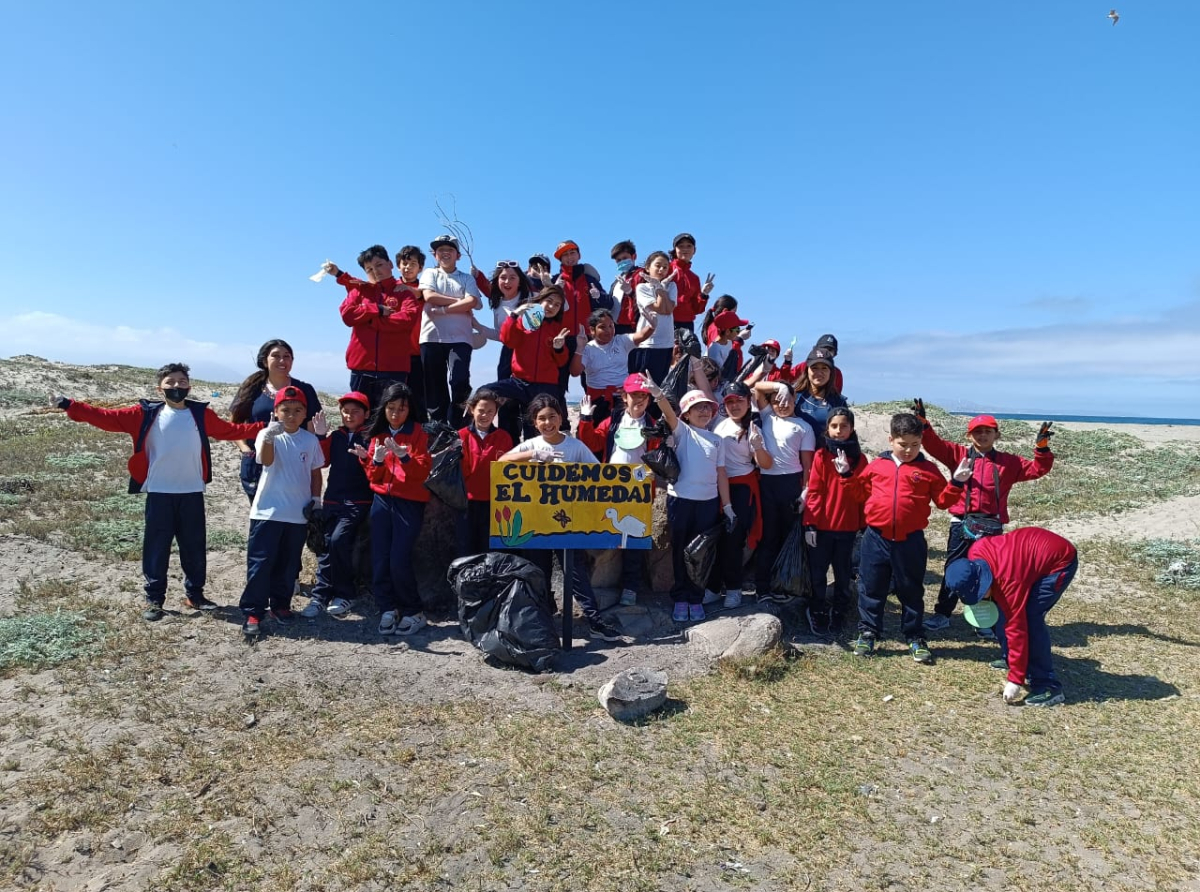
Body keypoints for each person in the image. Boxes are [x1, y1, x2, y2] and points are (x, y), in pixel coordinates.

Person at [53, 363, 262, 621]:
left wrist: (263, 427)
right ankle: (154, 600)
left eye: (181, 382)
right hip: (160, 493)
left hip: (192, 492)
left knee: (194, 547)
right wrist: (70, 405)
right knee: (156, 548)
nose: (176, 386)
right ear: (159, 388)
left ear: (189, 386)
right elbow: (105, 417)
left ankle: (195, 595)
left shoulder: (200, 414)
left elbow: (229, 431)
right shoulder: (145, 414)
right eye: (170, 382)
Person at [915, 404, 1056, 633]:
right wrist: (924, 424)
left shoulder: (1009, 462)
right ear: (969, 435)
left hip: (992, 525)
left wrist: (1041, 448)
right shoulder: (957, 455)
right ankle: (942, 613)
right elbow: (934, 445)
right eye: (977, 431)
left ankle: (983, 619)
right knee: (954, 569)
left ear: (996, 435)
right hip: (961, 522)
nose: (982, 435)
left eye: (988, 431)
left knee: (988, 572)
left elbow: (1038, 469)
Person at [843, 413, 970, 663]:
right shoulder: (877, 466)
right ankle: (868, 632)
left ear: (921, 441)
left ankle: (914, 635)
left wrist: (956, 482)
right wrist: (846, 476)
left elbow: (943, 501)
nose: (909, 450)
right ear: (891, 440)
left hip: (910, 540)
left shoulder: (928, 469)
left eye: (915, 444)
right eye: (903, 444)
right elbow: (859, 494)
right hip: (875, 538)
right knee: (871, 586)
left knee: (911, 589)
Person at [499, 394, 624, 642]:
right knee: (538, 571)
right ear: (534, 422)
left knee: (575, 571)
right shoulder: (531, 445)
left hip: (568, 523)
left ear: (561, 417)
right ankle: (543, 621)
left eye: (552, 417)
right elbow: (502, 461)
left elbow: (597, 475)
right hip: (536, 521)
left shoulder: (574, 446)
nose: (548, 423)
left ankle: (594, 620)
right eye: (542, 418)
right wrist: (533, 456)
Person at [943, 527, 1078, 706]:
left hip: (1059, 561)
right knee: (1001, 610)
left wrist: (1015, 680)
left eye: (980, 593)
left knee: (1030, 619)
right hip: (1031, 552)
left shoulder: (1009, 582)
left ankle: (1047, 685)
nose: (982, 597)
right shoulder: (975, 553)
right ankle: (1011, 658)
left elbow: (1017, 627)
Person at [239, 385, 326, 637]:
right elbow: (265, 461)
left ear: (305, 414)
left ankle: (280, 605)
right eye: (285, 410)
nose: (291, 415)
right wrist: (268, 437)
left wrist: (316, 500)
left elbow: (315, 472)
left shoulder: (309, 440)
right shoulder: (268, 433)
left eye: (297, 410)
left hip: (297, 514)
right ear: (276, 411)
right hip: (267, 512)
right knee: (261, 563)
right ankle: (253, 611)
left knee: (289, 564)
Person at [643, 378, 732, 622]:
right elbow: (669, 415)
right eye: (698, 408)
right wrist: (658, 394)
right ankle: (680, 598)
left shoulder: (717, 440)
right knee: (680, 550)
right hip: (680, 501)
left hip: (708, 503)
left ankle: (696, 597)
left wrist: (727, 506)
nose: (704, 411)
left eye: (707, 407)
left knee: (700, 553)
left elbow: (721, 474)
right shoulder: (683, 432)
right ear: (687, 414)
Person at [349, 382, 432, 636]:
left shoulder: (419, 432)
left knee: (399, 558)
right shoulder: (378, 434)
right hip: (382, 501)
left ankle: (413, 611)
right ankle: (387, 607)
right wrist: (371, 460)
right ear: (383, 408)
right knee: (380, 557)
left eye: (402, 408)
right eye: (391, 407)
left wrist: (404, 456)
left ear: (410, 410)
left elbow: (421, 472)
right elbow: (374, 477)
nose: (396, 413)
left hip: (409, 502)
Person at [576, 374, 660, 605]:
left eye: (643, 395)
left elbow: (657, 457)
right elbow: (591, 442)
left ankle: (630, 587)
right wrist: (585, 419)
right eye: (634, 395)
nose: (639, 399)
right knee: (603, 533)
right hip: (609, 489)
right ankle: (594, 585)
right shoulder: (613, 421)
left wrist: (650, 473)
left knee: (633, 539)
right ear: (624, 397)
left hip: (638, 491)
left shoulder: (652, 425)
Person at [323, 245, 422, 411]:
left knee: (390, 418)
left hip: (394, 368)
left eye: (379, 265)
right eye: (369, 268)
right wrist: (377, 309)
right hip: (361, 368)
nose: (375, 271)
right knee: (360, 416)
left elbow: (407, 319)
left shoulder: (404, 292)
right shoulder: (360, 290)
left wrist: (370, 322)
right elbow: (347, 315)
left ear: (390, 264)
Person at [302, 391, 373, 619]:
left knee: (337, 539)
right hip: (332, 499)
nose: (349, 416)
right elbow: (322, 461)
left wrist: (367, 458)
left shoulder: (372, 437)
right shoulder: (338, 436)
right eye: (345, 411)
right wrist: (321, 437)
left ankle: (345, 594)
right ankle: (320, 596)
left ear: (366, 414)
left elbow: (376, 468)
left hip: (357, 501)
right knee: (325, 545)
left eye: (355, 412)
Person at [230, 339, 321, 502]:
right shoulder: (251, 388)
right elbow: (234, 424)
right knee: (261, 514)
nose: (282, 361)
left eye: (287, 356)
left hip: (294, 461)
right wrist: (245, 449)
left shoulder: (304, 390)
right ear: (265, 360)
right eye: (276, 356)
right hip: (257, 461)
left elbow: (311, 427)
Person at [803, 407, 867, 635]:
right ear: (827, 429)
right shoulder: (821, 456)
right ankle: (817, 608)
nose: (839, 431)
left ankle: (839, 609)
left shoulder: (860, 458)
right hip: (822, 528)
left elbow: (863, 495)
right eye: (834, 426)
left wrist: (847, 474)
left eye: (844, 426)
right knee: (818, 573)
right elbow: (815, 492)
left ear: (852, 429)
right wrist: (810, 524)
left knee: (842, 573)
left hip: (847, 528)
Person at [751, 380, 816, 603]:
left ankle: (786, 583)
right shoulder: (767, 416)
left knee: (789, 536)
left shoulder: (804, 426)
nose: (782, 404)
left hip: (791, 484)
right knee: (768, 536)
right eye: (778, 400)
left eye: (787, 400)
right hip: (767, 482)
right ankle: (763, 588)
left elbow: (808, 464)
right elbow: (758, 388)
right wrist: (780, 387)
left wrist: (805, 493)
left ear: (795, 400)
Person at [709, 382, 772, 609]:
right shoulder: (718, 424)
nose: (735, 405)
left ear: (748, 402)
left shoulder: (755, 428)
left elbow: (765, 464)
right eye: (730, 401)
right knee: (717, 540)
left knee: (733, 541)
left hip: (742, 488)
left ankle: (734, 589)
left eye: (739, 401)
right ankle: (714, 588)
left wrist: (758, 447)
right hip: (716, 487)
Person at [483, 284, 571, 441]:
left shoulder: (558, 328)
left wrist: (559, 348)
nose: (552, 306)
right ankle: (478, 433)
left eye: (557, 305)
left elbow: (561, 361)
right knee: (485, 392)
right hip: (519, 382)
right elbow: (508, 340)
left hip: (545, 386)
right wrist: (514, 315)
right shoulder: (526, 320)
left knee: (534, 431)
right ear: (540, 300)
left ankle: (537, 460)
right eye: (549, 301)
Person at [418, 235, 483, 428]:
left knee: (459, 380)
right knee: (434, 385)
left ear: (458, 255)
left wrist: (446, 308)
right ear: (434, 255)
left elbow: (473, 302)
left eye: (450, 250)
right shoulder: (430, 273)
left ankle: (459, 424)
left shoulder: (466, 278)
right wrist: (460, 302)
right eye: (440, 250)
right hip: (431, 337)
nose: (445, 253)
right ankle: (439, 427)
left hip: (461, 338)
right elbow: (429, 296)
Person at [570, 308, 653, 426]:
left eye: (611, 326)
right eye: (602, 327)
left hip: (622, 398)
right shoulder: (587, 348)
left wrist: (652, 325)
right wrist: (579, 348)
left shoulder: (621, 341)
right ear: (592, 330)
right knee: (595, 435)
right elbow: (574, 372)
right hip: (597, 400)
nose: (608, 330)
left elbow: (642, 335)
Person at [457, 388, 513, 556]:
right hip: (465, 503)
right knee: (465, 548)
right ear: (472, 409)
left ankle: (488, 582)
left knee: (489, 551)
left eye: (490, 411)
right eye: (481, 410)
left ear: (496, 412)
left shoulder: (504, 437)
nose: (485, 415)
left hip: (494, 504)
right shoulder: (460, 436)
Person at [475, 260, 533, 380]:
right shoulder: (498, 305)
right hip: (508, 352)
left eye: (512, 277)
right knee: (503, 387)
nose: (507, 282)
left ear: (520, 281)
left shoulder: (532, 298)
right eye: (503, 277)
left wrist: (549, 286)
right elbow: (501, 335)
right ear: (497, 281)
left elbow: (562, 307)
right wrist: (478, 326)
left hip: (530, 350)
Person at [629, 251, 678, 384]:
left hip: (666, 343)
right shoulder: (642, 288)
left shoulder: (672, 286)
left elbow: (668, 310)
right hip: (648, 343)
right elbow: (660, 308)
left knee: (660, 385)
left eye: (665, 267)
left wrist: (660, 287)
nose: (661, 269)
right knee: (644, 385)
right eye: (658, 265)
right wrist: (659, 288)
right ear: (647, 268)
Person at [793, 348, 848, 449]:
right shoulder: (794, 397)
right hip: (795, 460)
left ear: (831, 372)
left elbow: (846, 436)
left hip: (825, 459)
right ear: (807, 370)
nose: (819, 372)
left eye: (824, 368)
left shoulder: (839, 402)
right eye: (814, 368)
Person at [668, 233, 714, 334]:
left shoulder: (694, 278)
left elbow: (697, 309)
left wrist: (704, 295)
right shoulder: (667, 269)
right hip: (667, 320)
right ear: (675, 249)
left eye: (689, 246)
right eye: (681, 246)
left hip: (687, 324)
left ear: (694, 250)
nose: (685, 249)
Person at [779, 334, 844, 393]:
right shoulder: (804, 366)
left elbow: (837, 395)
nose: (825, 352)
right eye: (823, 348)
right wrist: (787, 362)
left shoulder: (837, 373)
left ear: (835, 354)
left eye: (830, 350)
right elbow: (785, 380)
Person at [608, 239, 642, 335]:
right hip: (616, 327)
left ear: (634, 256)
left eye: (625, 258)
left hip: (634, 326)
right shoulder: (616, 282)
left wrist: (631, 292)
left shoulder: (641, 275)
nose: (622, 262)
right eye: (618, 260)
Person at [706, 308, 750, 375]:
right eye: (737, 329)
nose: (738, 332)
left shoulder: (729, 343)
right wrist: (739, 339)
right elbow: (723, 373)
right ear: (727, 332)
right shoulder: (714, 350)